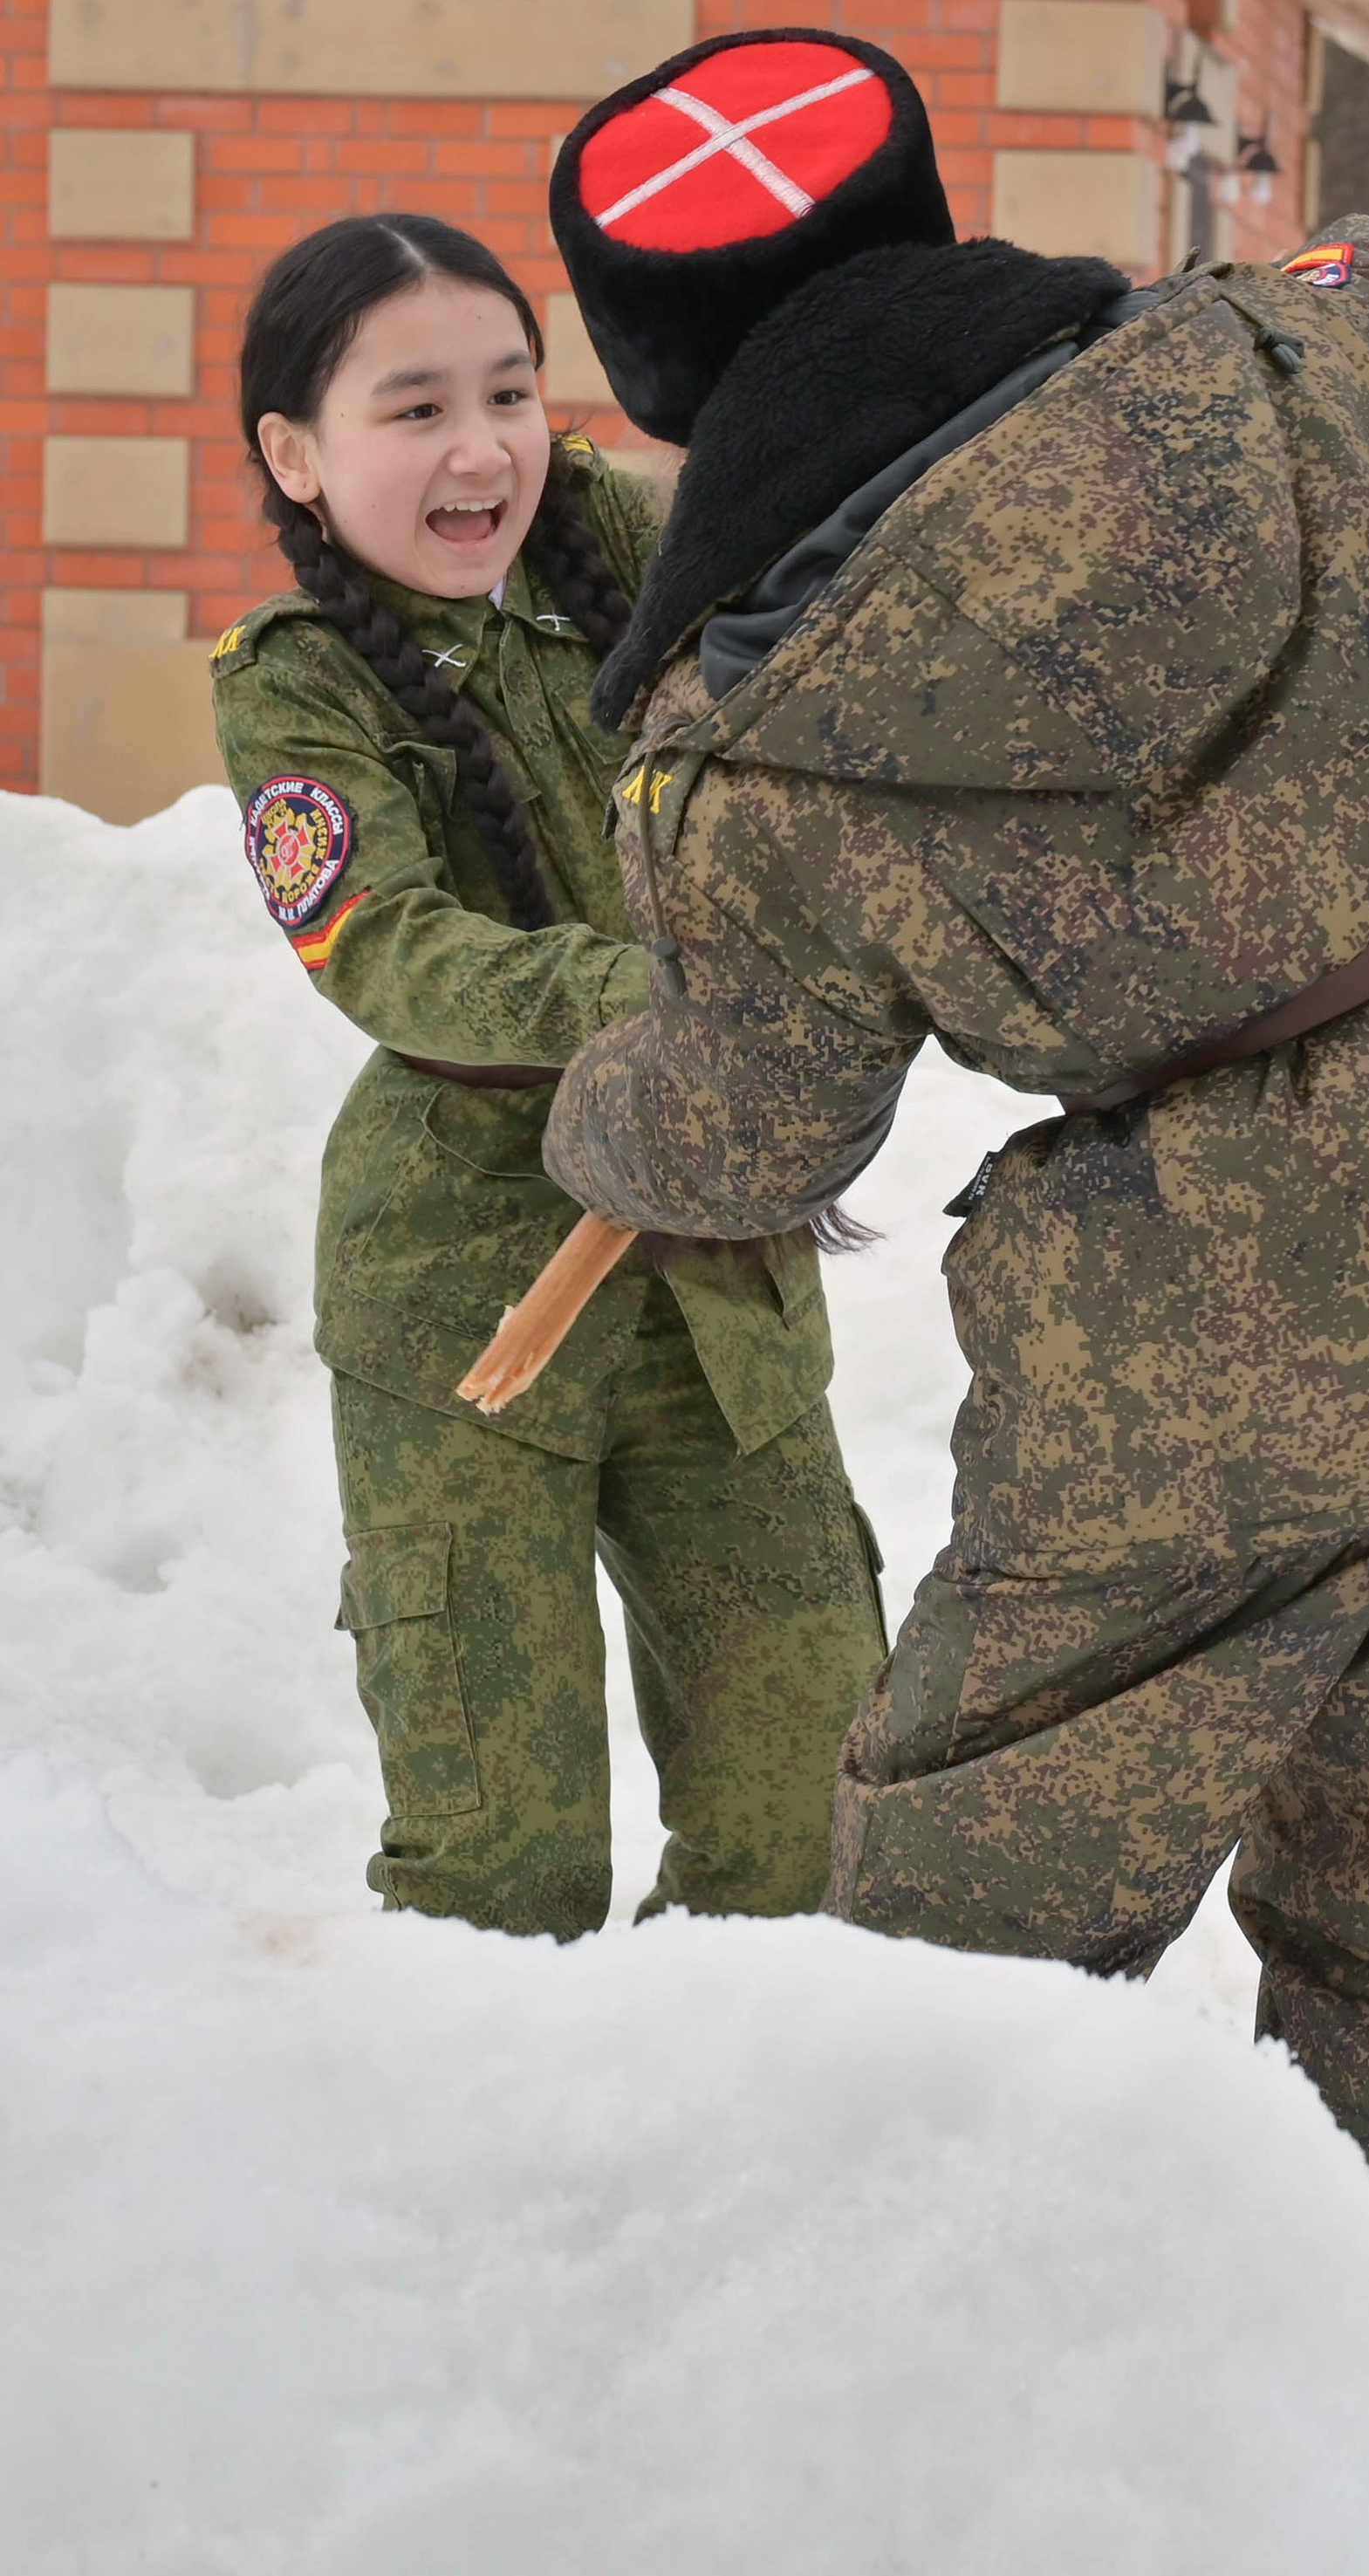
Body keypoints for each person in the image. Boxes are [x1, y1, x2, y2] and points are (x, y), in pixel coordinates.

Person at [529, 27, 1369, 2553]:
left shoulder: (744, 743)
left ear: (661, 380)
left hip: (1218, 1347)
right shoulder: (1293, 349)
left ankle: (921, 2462)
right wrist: (1186, 291)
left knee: (967, 1936)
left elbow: (758, 1131)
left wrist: (597, 1110)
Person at [211, 213, 886, 1939]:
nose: (479, 445)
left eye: (509, 390)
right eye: (413, 404)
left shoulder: (627, 559)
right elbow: (381, 946)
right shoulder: (301, 684)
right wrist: (650, 989)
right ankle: (482, 2185)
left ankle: (743, 2172)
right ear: (295, 452)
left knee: (810, 1820)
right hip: (469, 1305)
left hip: (713, 1282)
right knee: (501, 1863)